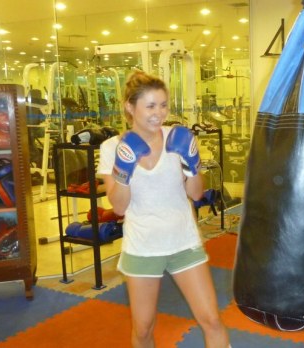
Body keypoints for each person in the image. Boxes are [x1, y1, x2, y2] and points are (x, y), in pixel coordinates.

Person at [97, 70, 230, 348]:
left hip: (183, 241)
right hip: (143, 246)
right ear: (130, 107)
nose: (159, 113)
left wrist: (192, 164)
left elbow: (195, 194)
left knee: (212, 320)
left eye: (163, 105)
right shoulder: (112, 147)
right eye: (150, 106)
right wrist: (124, 169)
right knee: (144, 329)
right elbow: (118, 207)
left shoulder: (177, 138)